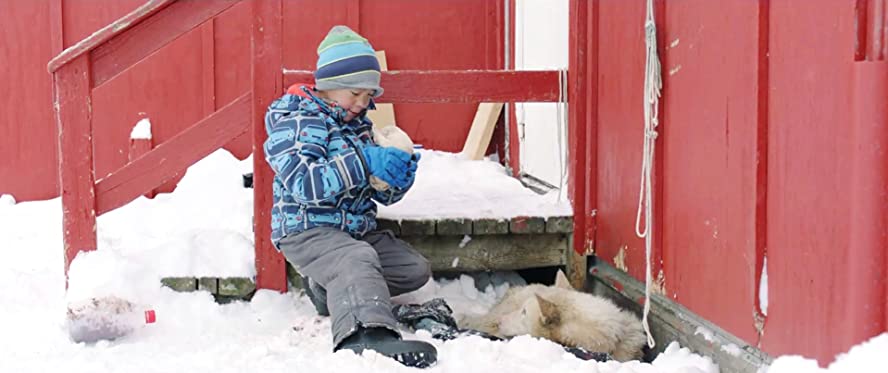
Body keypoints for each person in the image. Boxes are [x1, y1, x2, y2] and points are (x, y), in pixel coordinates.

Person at [262, 25, 437, 368]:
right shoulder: (298, 120)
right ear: (329, 86)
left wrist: (396, 179)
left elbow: (379, 194)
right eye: (356, 93)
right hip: (308, 231)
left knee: (414, 269)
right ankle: (365, 335)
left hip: (353, 230)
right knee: (355, 259)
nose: (363, 102)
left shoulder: (360, 126)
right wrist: (362, 160)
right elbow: (304, 184)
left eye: (369, 94)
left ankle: (328, 291)